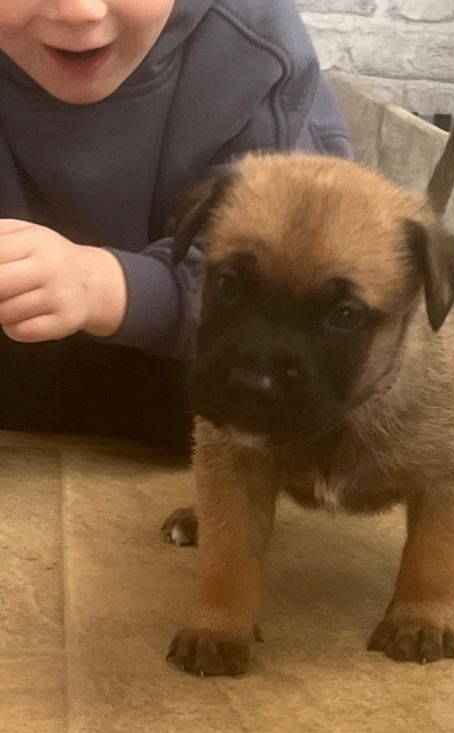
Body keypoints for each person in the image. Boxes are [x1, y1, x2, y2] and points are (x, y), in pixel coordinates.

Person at [0, 0, 350, 451]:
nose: (80, 12)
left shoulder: (256, 53)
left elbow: (279, 293)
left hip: (194, 360)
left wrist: (99, 286)